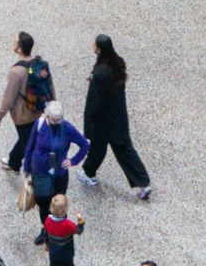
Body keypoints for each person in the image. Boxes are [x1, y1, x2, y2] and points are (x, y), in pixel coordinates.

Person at [78, 34, 152, 200]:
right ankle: (143, 183)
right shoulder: (117, 63)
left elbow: (95, 102)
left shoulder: (100, 74)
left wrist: (90, 120)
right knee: (124, 150)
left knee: (98, 147)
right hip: (118, 116)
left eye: (94, 44)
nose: (92, 45)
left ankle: (89, 173)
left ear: (99, 49)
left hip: (103, 120)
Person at [22, 102, 90, 223]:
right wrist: (26, 167)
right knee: (43, 204)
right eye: (53, 120)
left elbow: (84, 144)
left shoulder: (67, 128)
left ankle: (59, 231)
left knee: (59, 205)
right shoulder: (40, 124)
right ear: (47, 116)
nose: (56, 123)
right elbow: (30, 146)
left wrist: (72, 161)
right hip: (40, 172)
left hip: (59, 175)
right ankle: (45, 229)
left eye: (59, 120)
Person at [0, 33, 53, 172]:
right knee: (27, 138)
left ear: (19, 49)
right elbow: (49, 85)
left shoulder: (16, 72)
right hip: (38, 109)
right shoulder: (39, 63)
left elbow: (8, 97)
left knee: (27, 140)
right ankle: (13, 160)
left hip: (23, 114)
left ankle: (35, 170)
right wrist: (51, 105)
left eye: (15, 43)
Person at [41, 195, 83, 265]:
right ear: (65, 210)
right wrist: (80, 220)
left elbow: (45, 235)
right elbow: (79, 230)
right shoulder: (68, 224)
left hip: (53, 254)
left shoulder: (48, 221)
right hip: (67, 254)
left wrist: (47, 246)